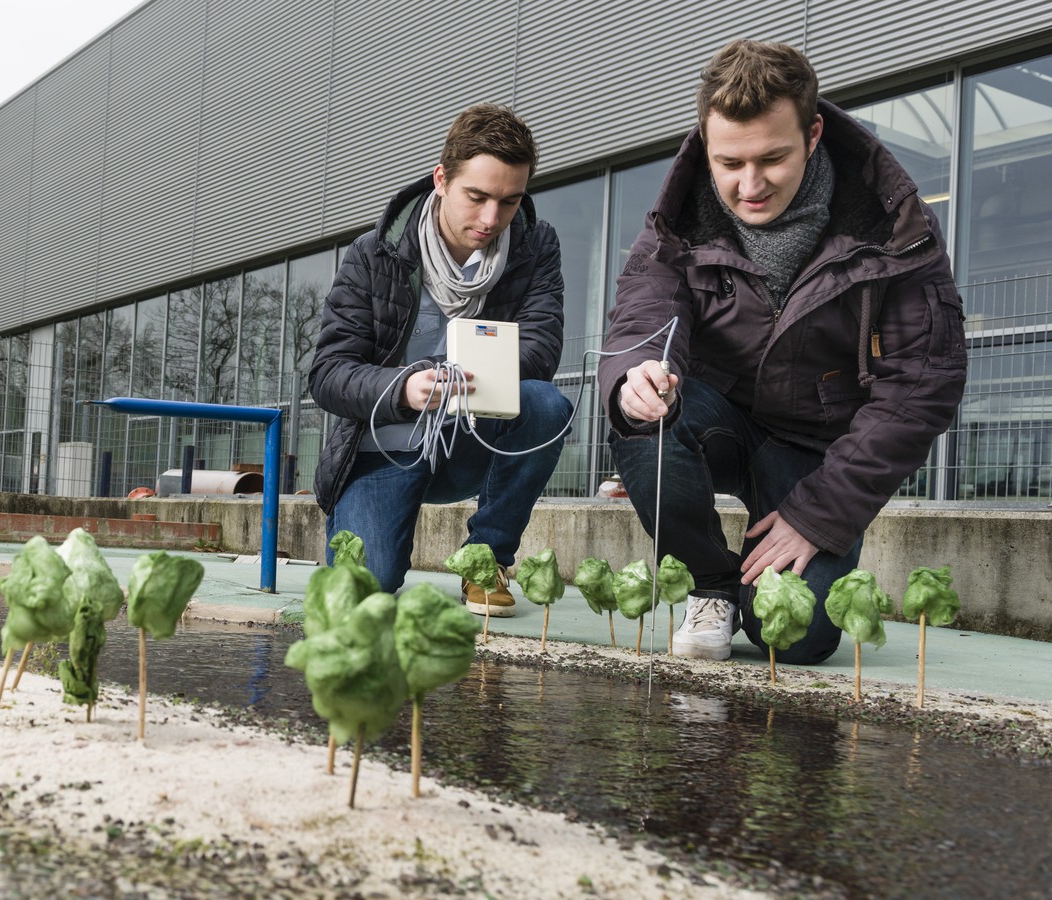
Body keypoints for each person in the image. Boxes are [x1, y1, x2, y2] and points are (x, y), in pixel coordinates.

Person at [601, 40, 968, 663]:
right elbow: (645, 309)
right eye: (729, 162)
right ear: (705, 143)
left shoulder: (894, 227)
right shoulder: (675, 219)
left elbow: (920, 385)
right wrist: (633, 376)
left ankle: (760, 576)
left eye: (772, 158)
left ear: (814, 132)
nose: (749, 185)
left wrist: (820, 513)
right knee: (641, 416)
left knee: (793, 639)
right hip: (719, 422)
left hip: (819, 455)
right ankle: (711, 582)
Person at [311, 103, 570, 612]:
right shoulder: (374, 253)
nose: (492, 219)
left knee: (545, 404)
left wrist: (469, 371)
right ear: (441, 180)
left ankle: (485, 558)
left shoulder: (535, 247)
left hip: (471, 435)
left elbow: (541, 350)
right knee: (368, 588)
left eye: (509, 202)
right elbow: (328, 374)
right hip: (385, 443)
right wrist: (404, 388)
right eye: (477, 197)